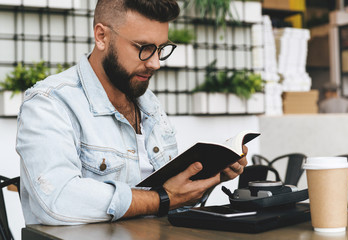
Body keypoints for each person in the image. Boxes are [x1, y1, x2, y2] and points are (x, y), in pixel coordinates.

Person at [16, 0, 248, 225]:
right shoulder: (50, 102)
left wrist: (209, 178)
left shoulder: (149, 104)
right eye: (144, 48)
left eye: (160, 49)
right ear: (101, 36)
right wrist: (163, 199)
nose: (155, 63)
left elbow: (174, 207)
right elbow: (57, 201)